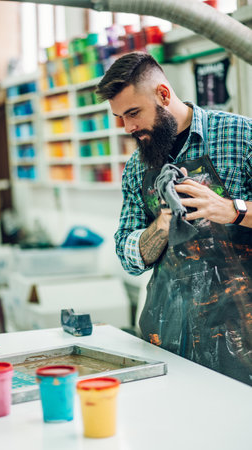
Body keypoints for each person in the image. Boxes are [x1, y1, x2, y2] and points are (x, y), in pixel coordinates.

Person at [96, 51, 252, 385]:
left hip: (244, 335)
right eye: (120, 117)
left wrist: (233, 210)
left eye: (134, 113)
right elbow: (127, 253)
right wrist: (162, 225)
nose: (128, 127)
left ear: (163, 95)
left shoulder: (240, 136)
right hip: (168, 335)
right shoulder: (138, 167)